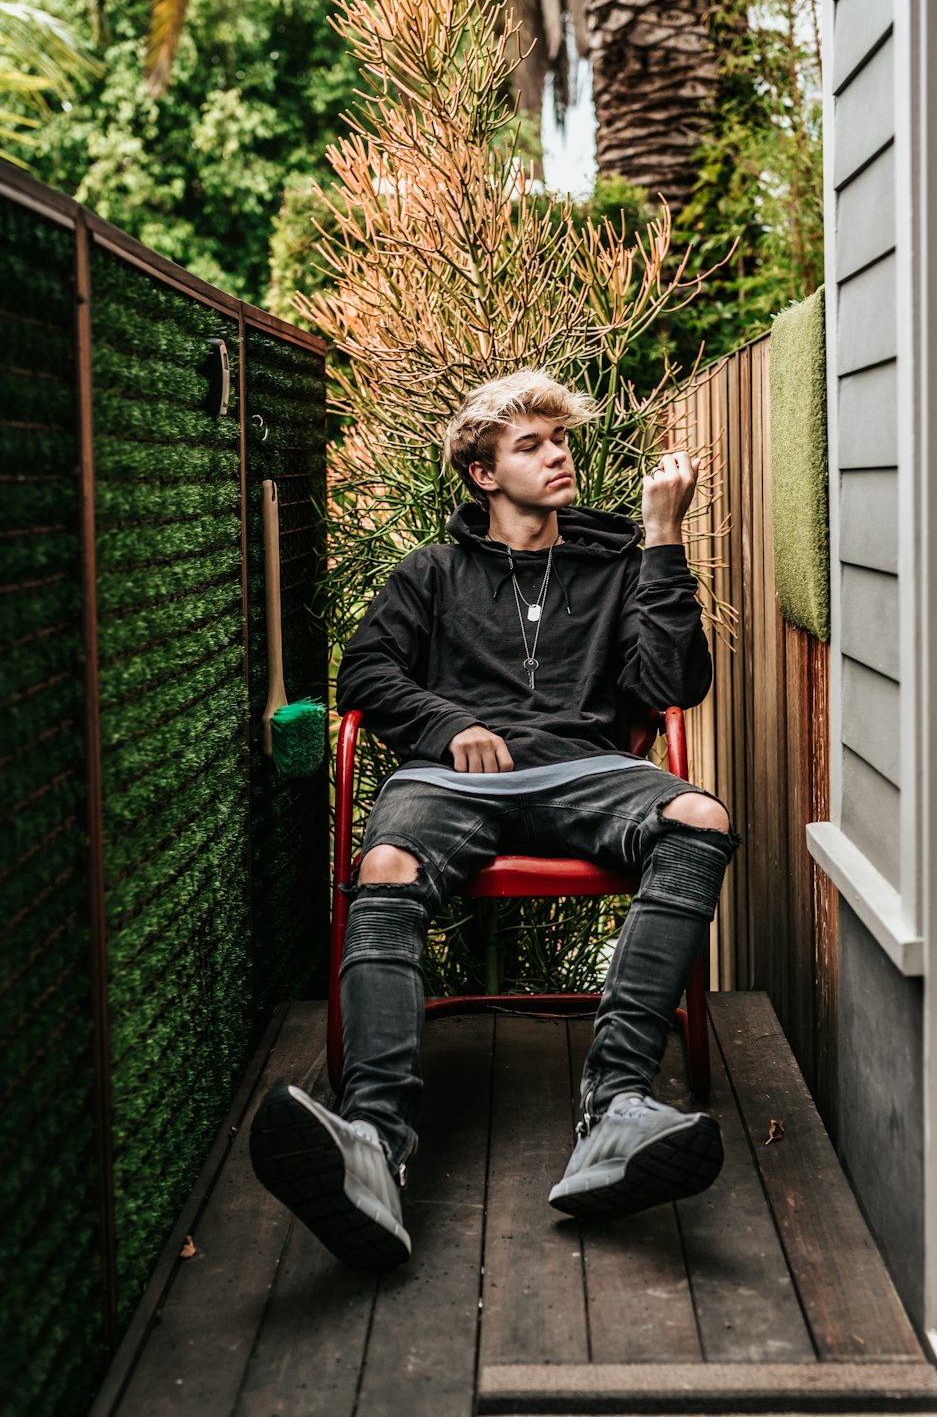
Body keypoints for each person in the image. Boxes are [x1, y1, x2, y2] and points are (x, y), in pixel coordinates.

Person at [249, 369, 740, 1270]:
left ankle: (617, 1108)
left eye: (561, 441)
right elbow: (363, 674)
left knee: (699, 814)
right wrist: (450, 725)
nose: (558, 456)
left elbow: (670, 686)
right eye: (531, 445)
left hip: (588, 770)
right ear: (482, 474)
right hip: (450, 782)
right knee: (389, 868)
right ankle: (373, 1143)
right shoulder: (432, 573)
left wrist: (664, 540)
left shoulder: (620, 562)